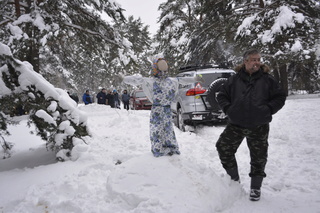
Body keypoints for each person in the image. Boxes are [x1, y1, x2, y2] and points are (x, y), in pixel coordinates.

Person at [215, 49, 286, 201]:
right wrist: (229, 109)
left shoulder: (267, 79)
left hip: (259, 125)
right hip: (236, 124)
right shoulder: (234, 80)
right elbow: (221, 95)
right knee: (223, 147)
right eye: (253, 59)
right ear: (245, 61)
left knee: (259, 157)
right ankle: (234, 181)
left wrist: (268, 110)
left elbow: (280, 96)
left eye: (258, 59)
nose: (257, 62)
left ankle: (255, 188)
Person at [123, 56, 203, 157]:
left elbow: (183, 80)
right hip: (157, 109)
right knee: (156, 129)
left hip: (166, 109)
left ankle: (171, 147)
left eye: (165, 64)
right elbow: (136, 80)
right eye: (161, 65)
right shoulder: (151, 81)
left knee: (168, 128)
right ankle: (158, 149)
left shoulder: (171, 81)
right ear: (155, 67)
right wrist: (124, 78)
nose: (164, 66)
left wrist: (195, 79)